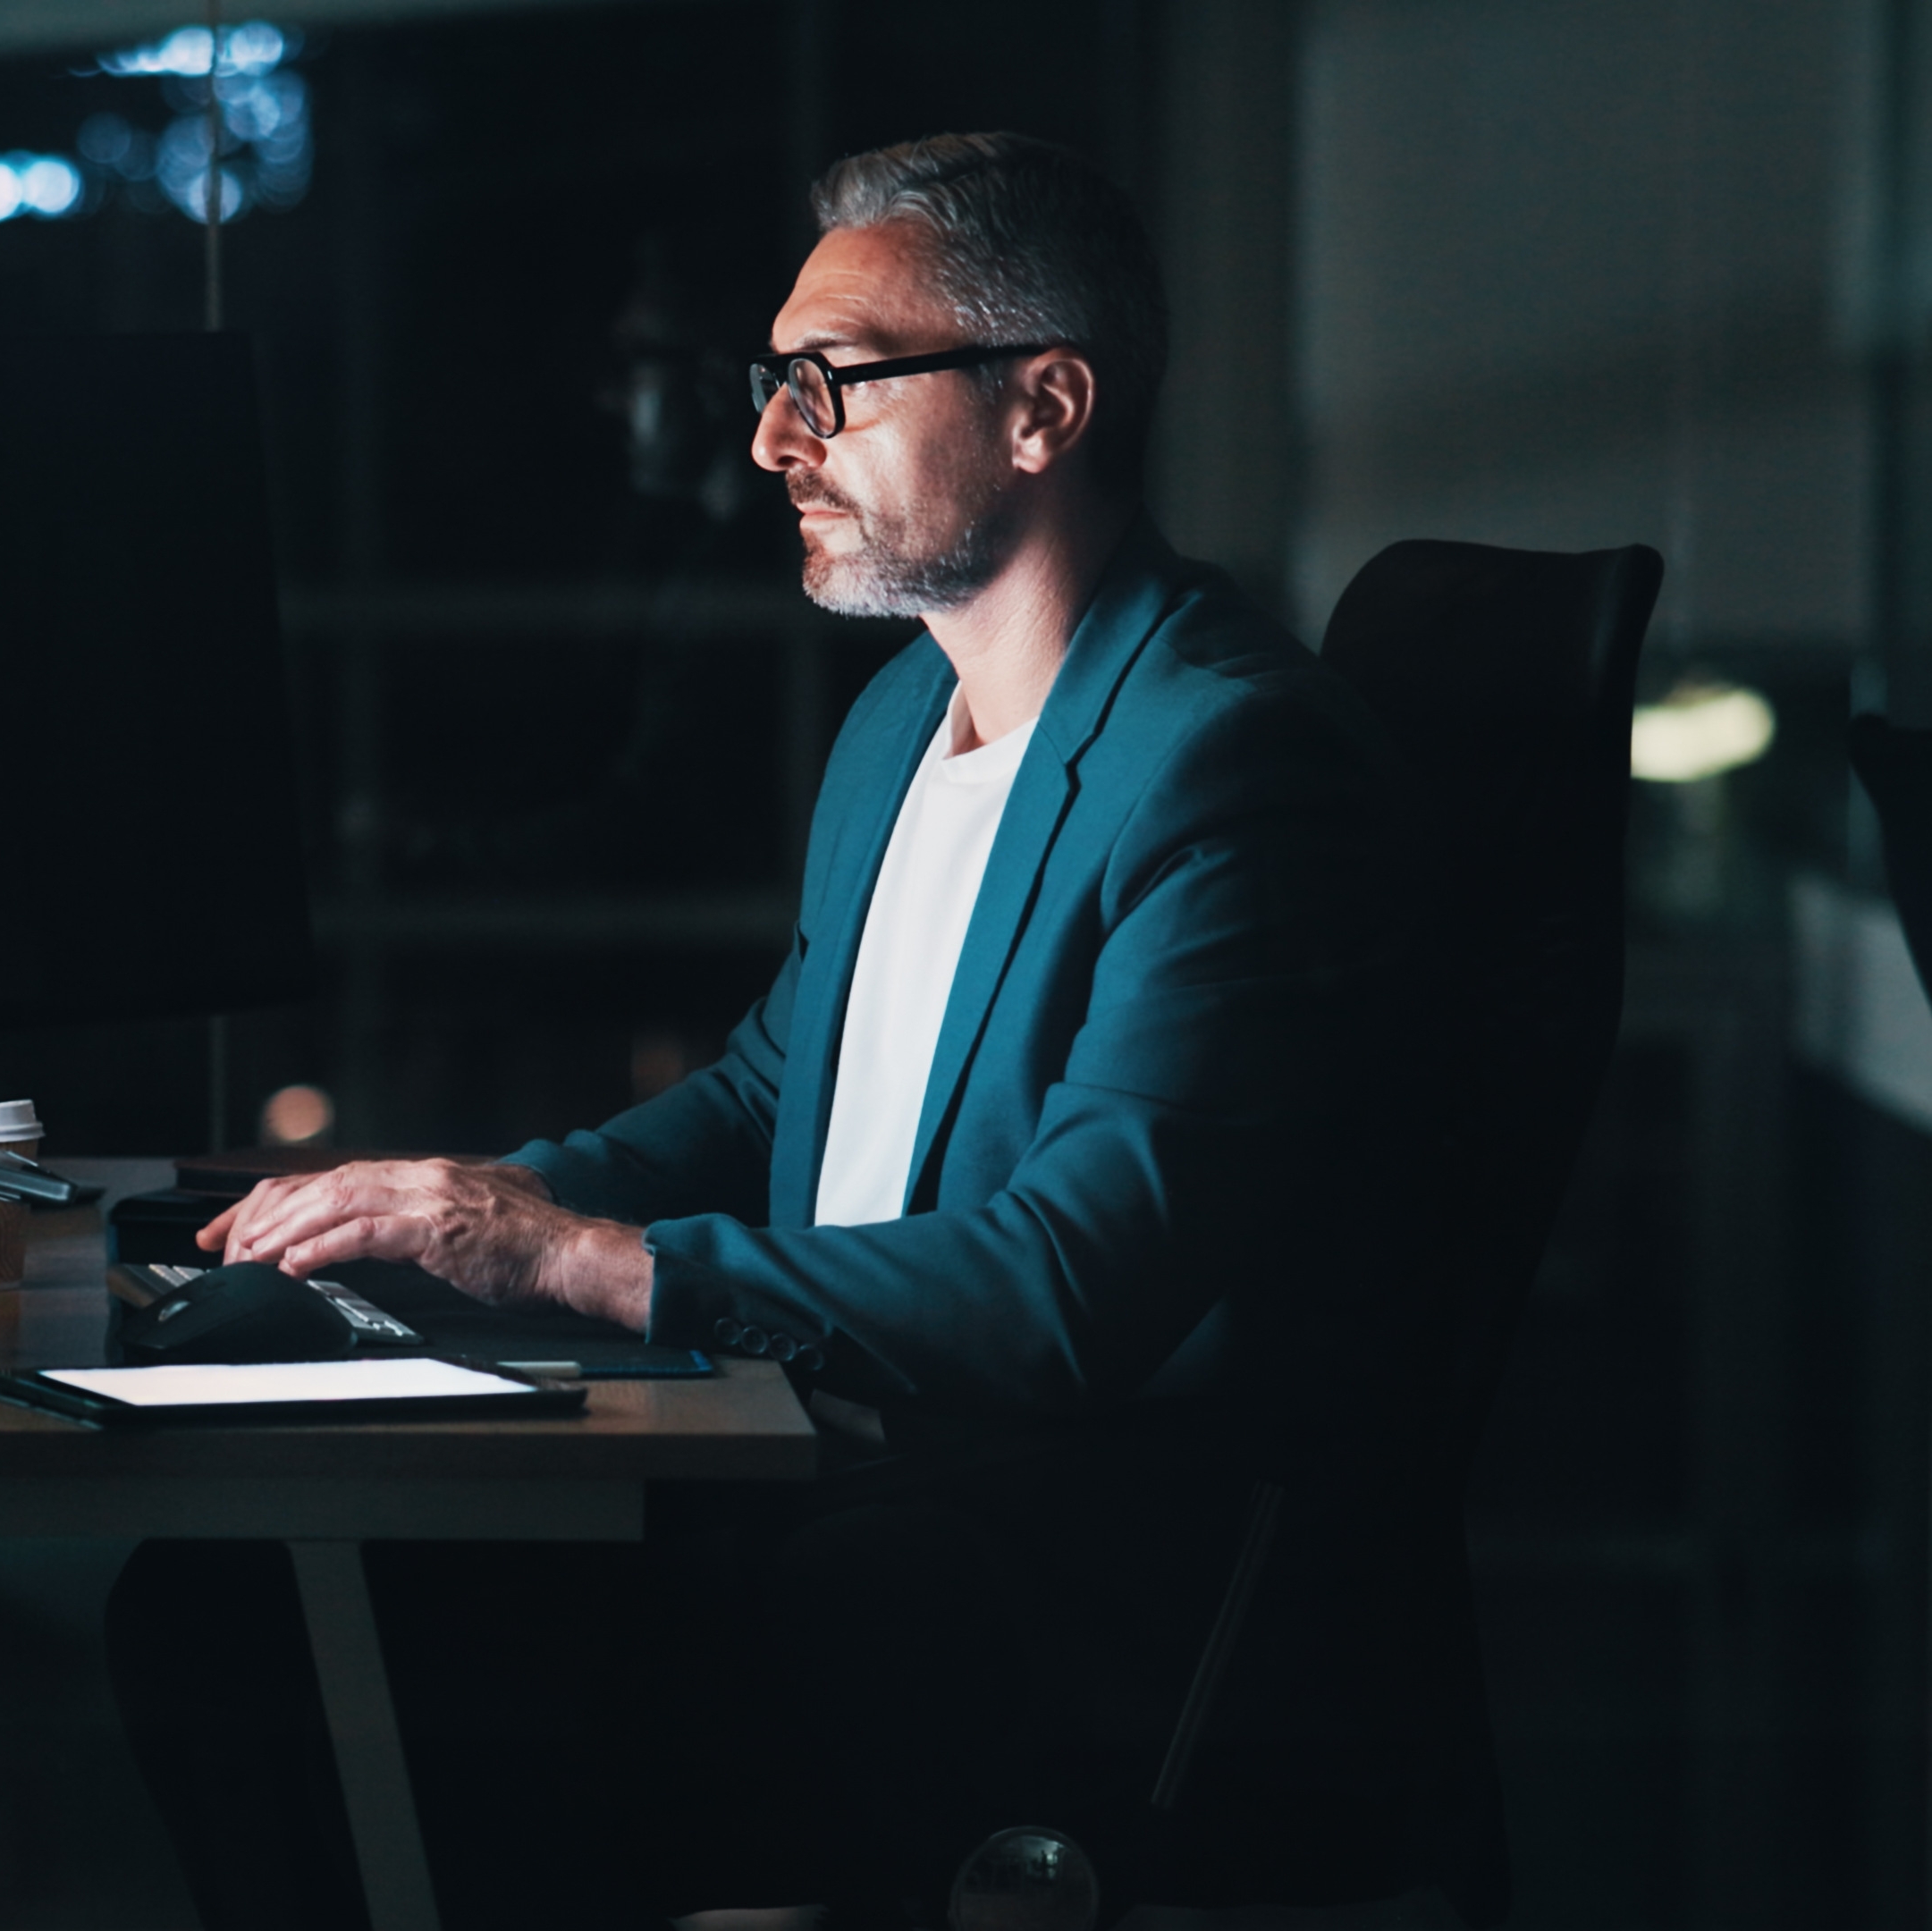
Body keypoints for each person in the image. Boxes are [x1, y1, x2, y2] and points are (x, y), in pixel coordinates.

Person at [111, 133, 1438, 1929]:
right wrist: (457, 1214)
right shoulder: (907, 712)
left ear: (1042, 407)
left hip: (996, 1565)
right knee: (213, 1591)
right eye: (767, 386)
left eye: (831, 384)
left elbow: (1065, 1285)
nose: (766, 443)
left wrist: (573, 1264)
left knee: (253, 1623)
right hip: (813, 1471)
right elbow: (762, 1092)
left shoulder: (1222, 760)